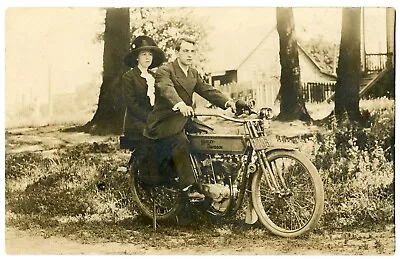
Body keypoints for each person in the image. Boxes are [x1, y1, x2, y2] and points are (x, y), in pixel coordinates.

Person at [143, 37, 250, 200]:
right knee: (181, 142)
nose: (189, 55)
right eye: (185, 51)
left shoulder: (193, 73)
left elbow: (207, 90)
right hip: (165, 121)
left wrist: (229, 103)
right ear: (177, 52)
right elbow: (166, 89)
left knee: (212, 138)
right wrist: (179, 104)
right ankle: (189, 187)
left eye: (192, 51)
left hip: (186, 119)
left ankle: (210, 179)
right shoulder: (165, 70)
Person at [122, 35, 165, 184]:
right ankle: (149, 181)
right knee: (153, 135)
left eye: (150, 55)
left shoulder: (155, 76)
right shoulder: (129, 77)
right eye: (144, 54)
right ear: (136, 57)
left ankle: (168, 174)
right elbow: (132, 106)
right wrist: (152, 119)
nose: (148, 58)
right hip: (136, 121)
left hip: (154, 119)